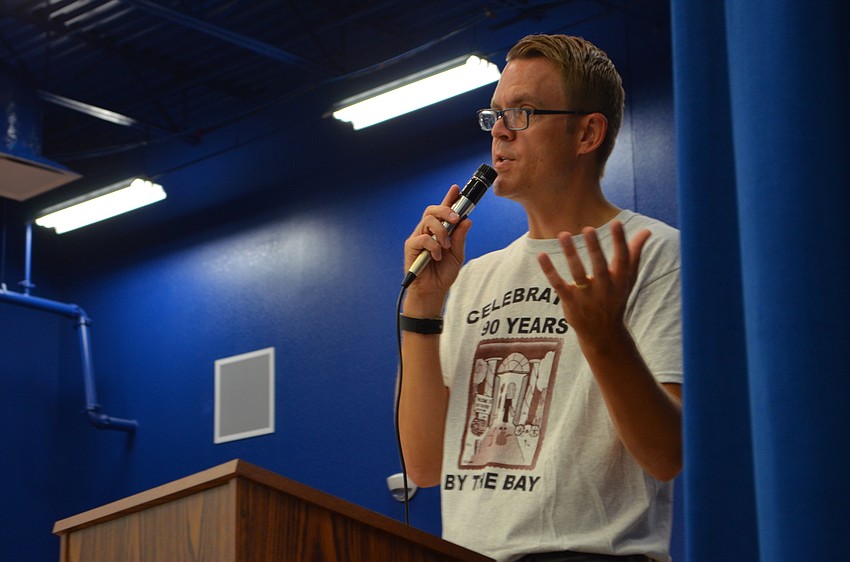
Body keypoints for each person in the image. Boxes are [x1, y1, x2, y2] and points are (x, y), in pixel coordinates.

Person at [398, 34, 682, 562]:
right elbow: (423, 466)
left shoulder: (652, 252)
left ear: (587, 132)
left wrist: (603, 337)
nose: (501, 131)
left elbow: (666, 455)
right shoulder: (473, 278)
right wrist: (422, 308)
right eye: (495, 114)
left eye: (524, 112)